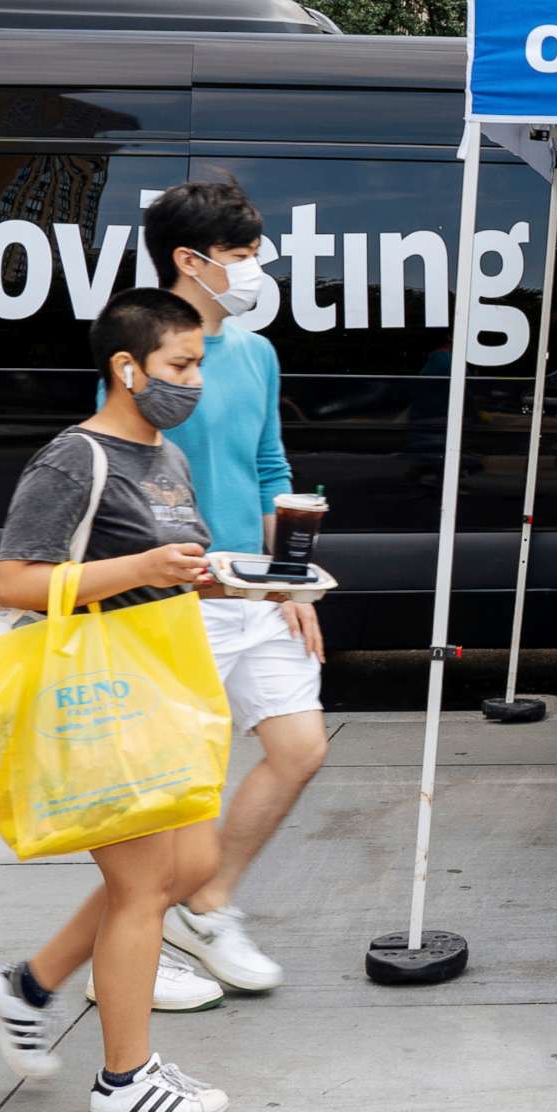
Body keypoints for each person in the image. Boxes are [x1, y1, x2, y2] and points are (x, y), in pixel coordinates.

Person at [0, 288, 233, 1112]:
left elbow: (168, 564)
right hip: (98, 703)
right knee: (146, 888)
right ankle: (126, 1081)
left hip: (158, 691)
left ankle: (29, 985)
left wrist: (228, 578)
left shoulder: (166, 459)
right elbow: (15, 581)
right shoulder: (74, 459)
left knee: (188, 869)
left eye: (198, 365)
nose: (193, 383)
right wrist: (142, 568)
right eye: (180, 366)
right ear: (127, 367)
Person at [140, 179, 324, 996]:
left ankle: (204, 909)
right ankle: (131, 961)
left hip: (254, 594)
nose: (255, 270)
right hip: (182, 599)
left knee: (299, 749)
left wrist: (288, 582)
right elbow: (123, 473)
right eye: (242, 256)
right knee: (175, 793)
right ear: (190, 261)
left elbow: (269, 467)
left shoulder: (255, 352)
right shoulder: (146, 352)